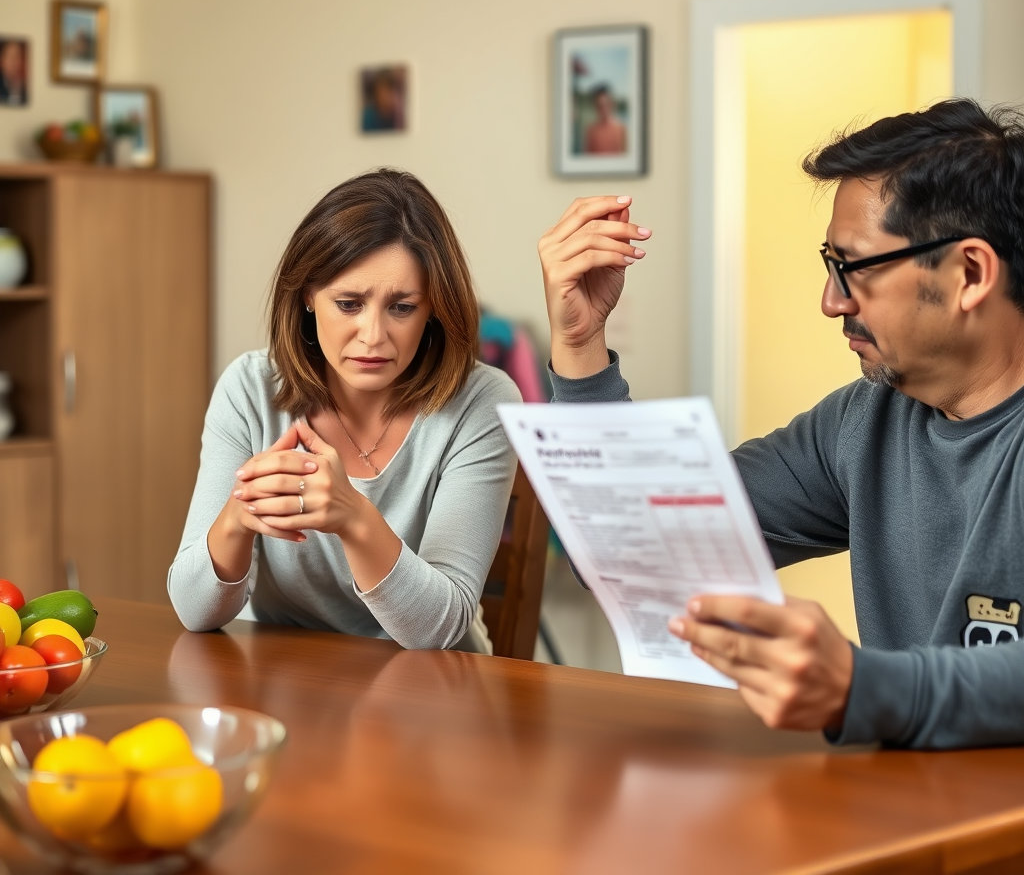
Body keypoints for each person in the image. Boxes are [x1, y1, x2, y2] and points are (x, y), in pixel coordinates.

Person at [537, 97, 1024, 749]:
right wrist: (579, 344)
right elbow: (642, 541)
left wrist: (861, 686)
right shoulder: (863, 423)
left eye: (853, 268)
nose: (831, 301)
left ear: (969, 273)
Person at [169, 168, 521, 651]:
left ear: (434, 307)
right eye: (350, 303)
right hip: (286, 684)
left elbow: (440, 629)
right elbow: (193, 611)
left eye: (402, 307)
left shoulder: (481, 402)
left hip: (433, 697)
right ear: (309, 296)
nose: (373, 336)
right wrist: (238, 516)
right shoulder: (249, 389)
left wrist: (353, 517)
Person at [583, 84, 627, 154]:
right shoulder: (591, 131)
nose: (603, 110)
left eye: (605, 105)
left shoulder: (621, 129)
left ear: (611, 103)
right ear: (595, 107)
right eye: (599, 106)